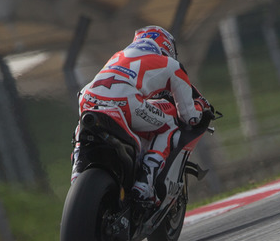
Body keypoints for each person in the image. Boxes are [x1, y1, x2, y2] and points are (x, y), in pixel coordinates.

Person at [76, 25, 210, 204]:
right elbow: (189, 117)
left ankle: (77, 171)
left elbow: (87, 89)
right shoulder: (172, 65)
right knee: (169, 125)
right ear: (167, 47)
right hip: (125, 102)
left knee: (80, 130)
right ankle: (144, 183)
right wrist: (201, 107)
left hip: (88, 99)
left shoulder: (118, 56)